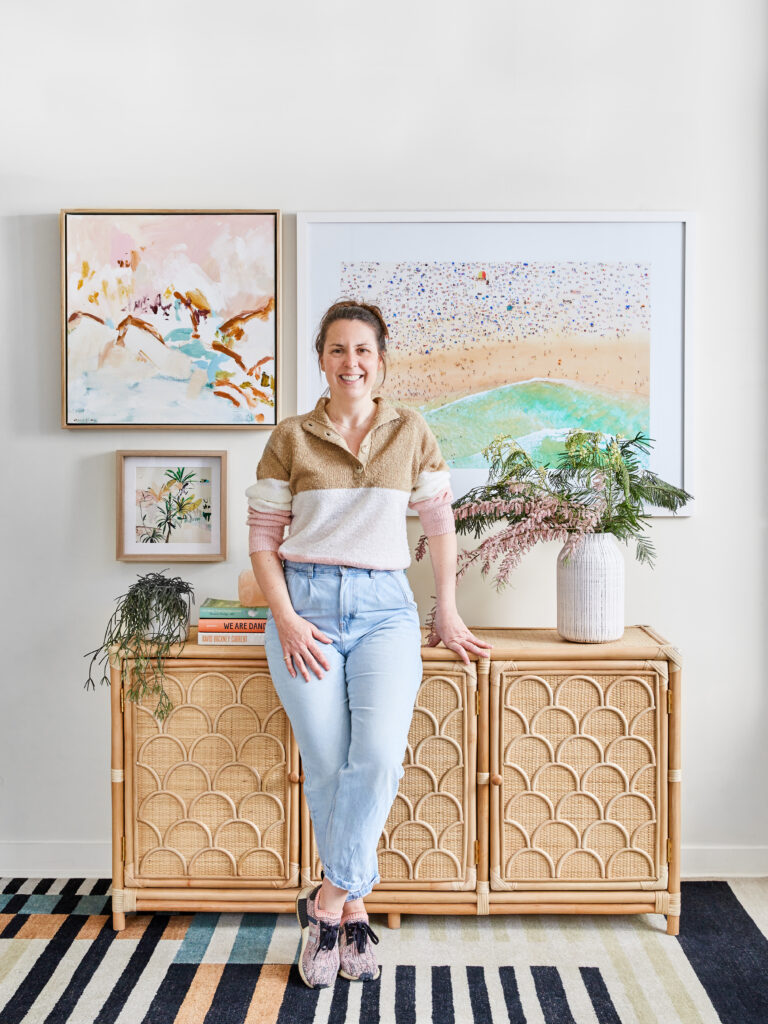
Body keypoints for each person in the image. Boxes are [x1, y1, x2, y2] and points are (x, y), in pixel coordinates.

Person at [245, 299, 492, 989]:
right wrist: (287, 618)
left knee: (378, 758)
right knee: (327, 765)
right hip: (307, 610)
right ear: (320, 359)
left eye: (363, 351)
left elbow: (438, 524)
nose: (350, 362)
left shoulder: (410, 429)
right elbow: (263, 540)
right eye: (337, 350)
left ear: (381, 360)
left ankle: (324, 902)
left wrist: (445, 610)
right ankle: (354, 911)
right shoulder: (289, 438)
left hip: (386, 611)